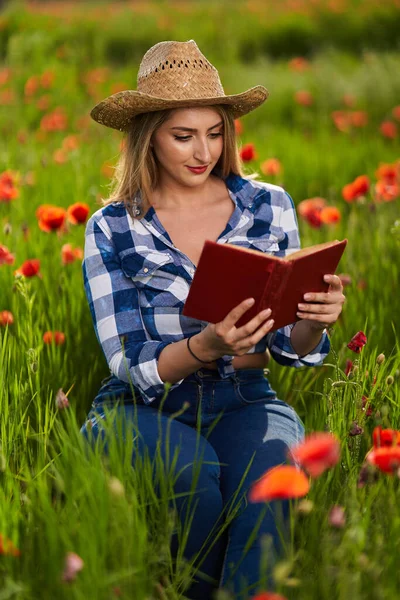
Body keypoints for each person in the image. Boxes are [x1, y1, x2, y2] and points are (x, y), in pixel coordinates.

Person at [80, 40, 346, 600]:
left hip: (245, 396)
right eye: (184, 136)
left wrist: (314, 320)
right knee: (193, 473)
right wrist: (206, 345)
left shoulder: (267, 205)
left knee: (269, 480)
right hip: (141, 406)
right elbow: (128, 364)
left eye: (215, 132)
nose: (204, 150)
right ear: (146, 135)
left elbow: (286, 343)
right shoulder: (113, 226)